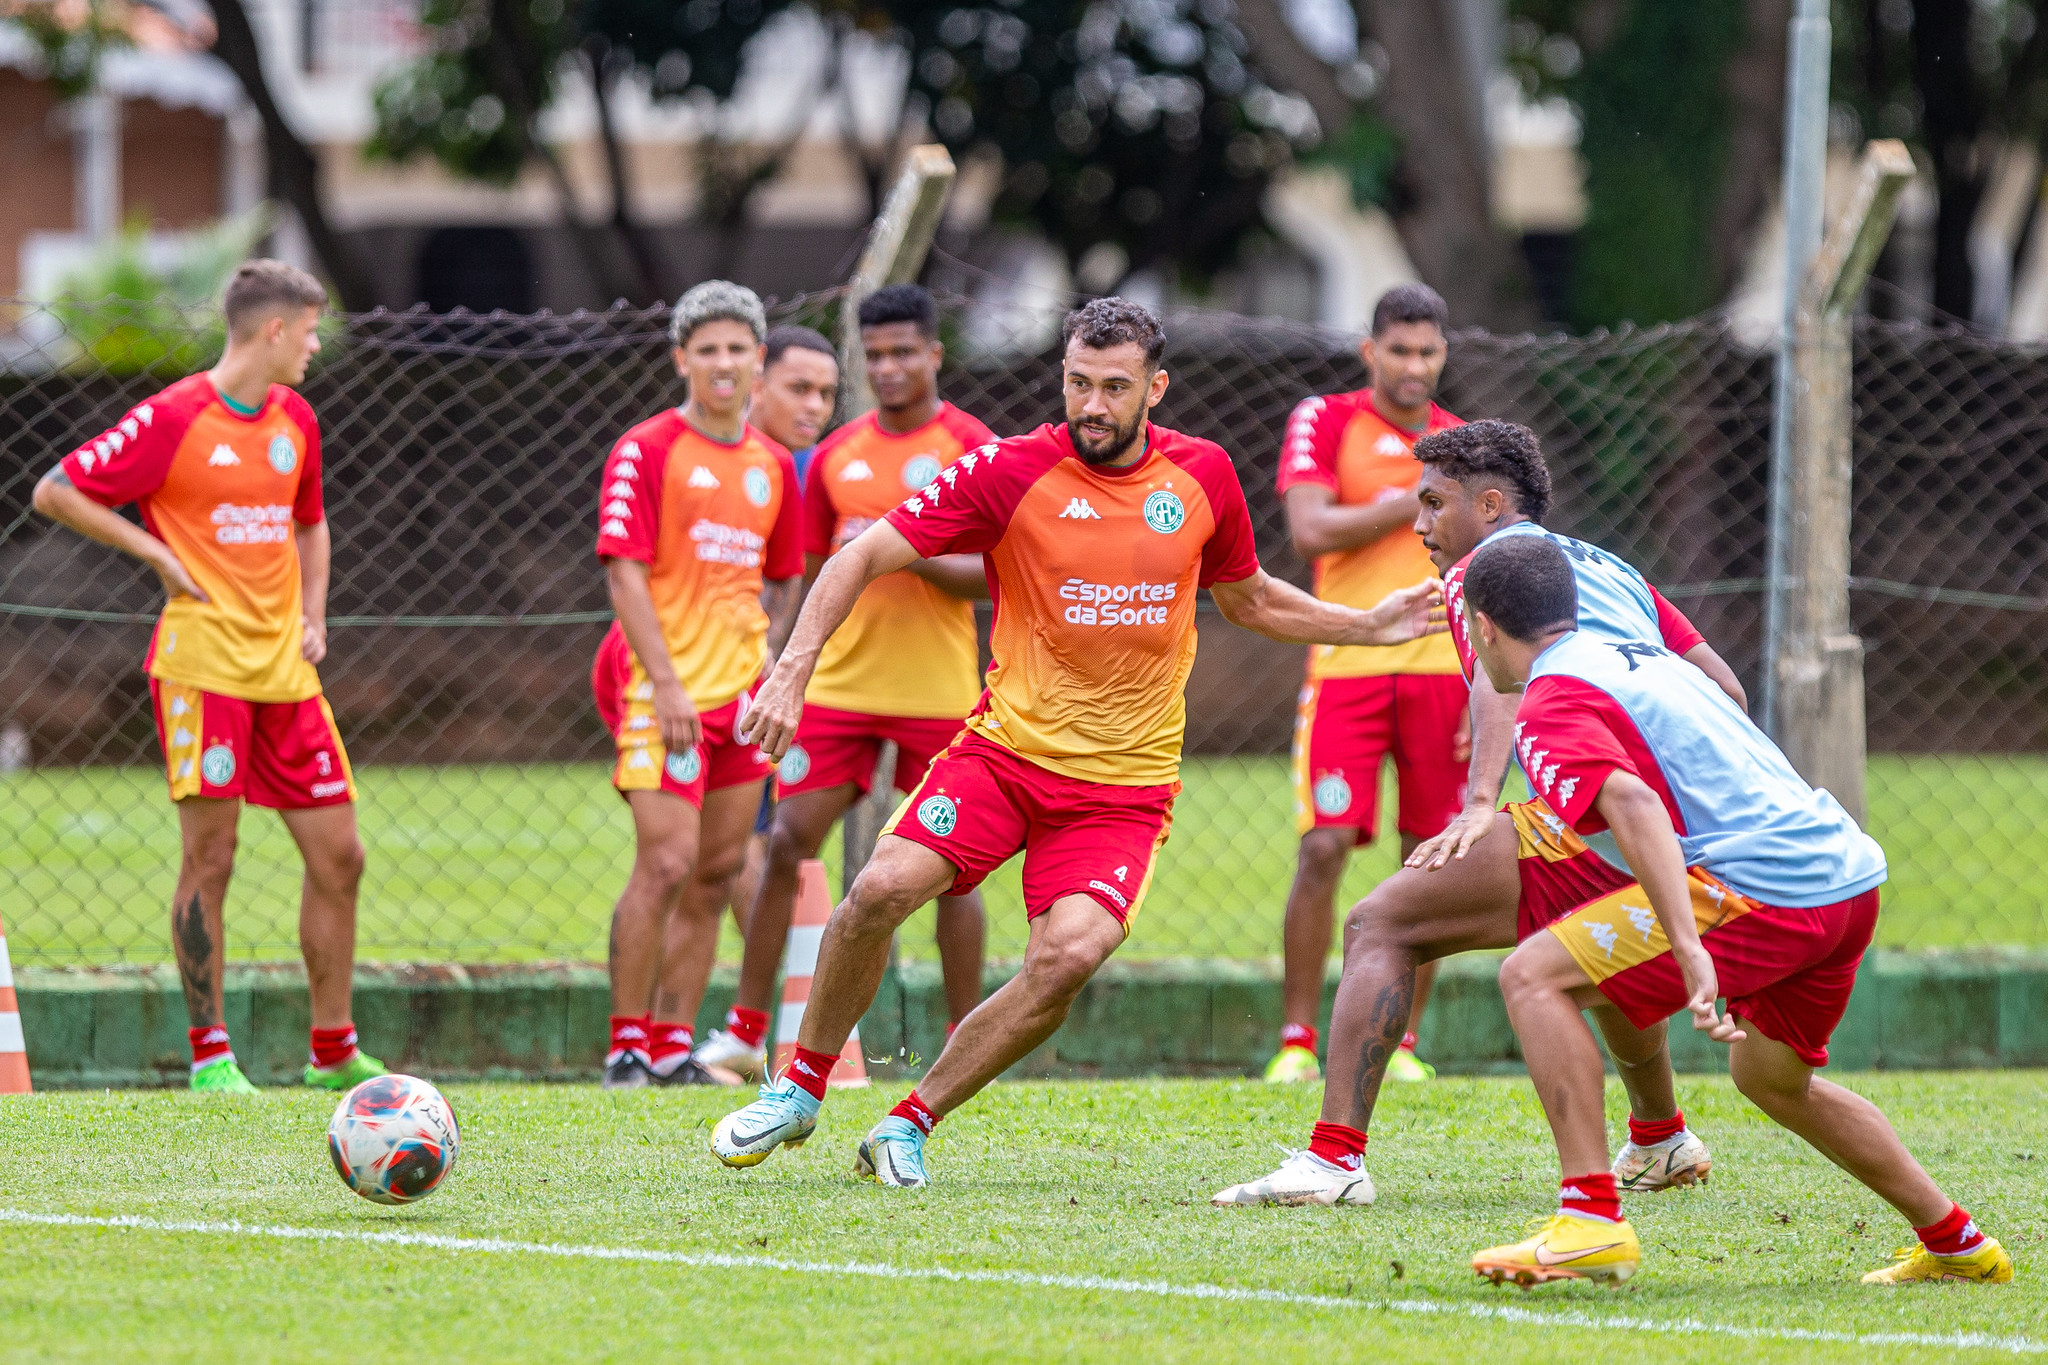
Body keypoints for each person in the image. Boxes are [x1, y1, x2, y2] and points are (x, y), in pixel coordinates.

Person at [709, 297, 1445, 1187]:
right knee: (877, 889)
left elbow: (1250, 597)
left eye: (1113, 387)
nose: (1091, 405)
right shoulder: (1010, 470)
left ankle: (909, 1120)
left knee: (1067, 957)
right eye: (1077, 383)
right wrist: (791, 671)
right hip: (1005, 754)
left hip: (1122, 789)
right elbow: (859, 556)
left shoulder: (1202, 477)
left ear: (1155, 389)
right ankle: (798, 1086)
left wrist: (1367, 625)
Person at [1213, 419, 1744, 1208]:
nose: (1418, 522)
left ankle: (1332, 1161)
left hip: (1607, 817)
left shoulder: (1482, 568)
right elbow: (1726, 689)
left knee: (1380, 921)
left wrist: (1476, 804)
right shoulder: (1613, 566)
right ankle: (1661, 1137)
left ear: (1489, 505)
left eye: (1433, 503)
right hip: (1699, 829)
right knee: (1593, 951)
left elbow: (1504, 686)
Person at [1460, 534, 2009, 1286]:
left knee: (1532, 977)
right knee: (1771, 1079)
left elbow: (1633, 801)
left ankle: (1588, 1218)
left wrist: (1688, 945)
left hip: (1766, 890)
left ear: (1484, 625)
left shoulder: (1550, 698)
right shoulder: (1642, 660)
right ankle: (1959, 1243)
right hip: (1845, 876)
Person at [32, 259, 383, 1093]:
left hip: (285, 673)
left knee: (342, 854)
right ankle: (211, 1054)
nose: (315, 345)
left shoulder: (296, 415)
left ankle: (332, 1049)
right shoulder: (174, 415)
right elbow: (57, 490)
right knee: (212, 857)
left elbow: (311, 521)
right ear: (272, 330)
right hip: (203, 670)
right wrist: (155, 551)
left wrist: (314, 612)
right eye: (309, 330)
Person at [696, 285, 993, 1079]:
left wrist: (896, 544)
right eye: (877, 354)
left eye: (906, 352)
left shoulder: (972, 445)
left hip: (937, 690)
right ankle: (742, 1029)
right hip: (840, 688)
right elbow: (800, 571)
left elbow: (992, 578)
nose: (890, 368)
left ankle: (968, 1035)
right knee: (788, 841)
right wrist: (780, 660)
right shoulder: (834, 456)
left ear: (935, 354)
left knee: (955, 865)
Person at [593, 280, 803, 1088]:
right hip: (665, 693)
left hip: (739, 700)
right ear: (682, 358)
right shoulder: (646, 448)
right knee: (666, 863)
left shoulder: (772, 465)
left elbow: (783, 580)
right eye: (707, 348)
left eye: (737, 348)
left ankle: (675, 1044)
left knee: (718, 869)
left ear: (758, 362)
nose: (723, 362)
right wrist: (668, 683)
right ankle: (626, 1047)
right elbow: (625, 575)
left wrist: (769, 669)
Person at [1267, 283, 1469, 1087]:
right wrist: (1413, 496)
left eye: (1427, 351)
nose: (1413, 365)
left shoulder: (1465, 441)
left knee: (1432, 861)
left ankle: (1405, 1044)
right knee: (1322, 846)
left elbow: (1482, 565)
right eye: (1399, 350)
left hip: (1444, 675)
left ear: (1443, 353)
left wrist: (1491, 684)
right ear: (1370, 349)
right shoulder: (1326, 418)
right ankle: (1294, 1038)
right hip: (1346, 665)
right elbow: (1311, 527)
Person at [707, 323, 842, 1017]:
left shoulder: (810, 469)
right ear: (758, 385)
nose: (814, 407)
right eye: (799, 389)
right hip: (720, 679)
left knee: (746, 844)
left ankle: (780, 1012)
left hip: (782, 684)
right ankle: (770, 1012)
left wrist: (782, 666)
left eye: (825, 393)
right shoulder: (741, 465)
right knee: (712, 853)